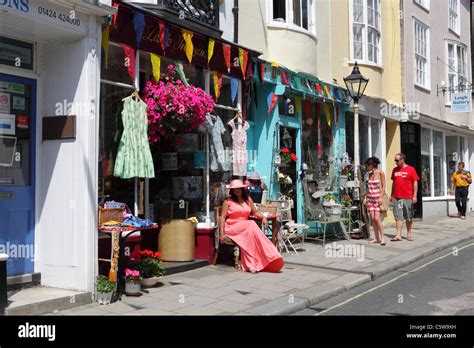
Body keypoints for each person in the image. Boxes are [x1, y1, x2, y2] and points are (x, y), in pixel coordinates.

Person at [220, 179, 284, 273]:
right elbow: (222, 218)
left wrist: (264, 217)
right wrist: (222, 233)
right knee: (252, 224)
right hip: (232, 226)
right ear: (232, 190)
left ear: (242, 189)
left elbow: (255, 212)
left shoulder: (247, 199)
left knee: (252, 236)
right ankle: (255, 261)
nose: (237, 190)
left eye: (239, 188)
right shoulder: (228, 201)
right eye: (235, 189)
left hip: (245, 227)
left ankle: (257, 261)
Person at [390, 153, 419, 241]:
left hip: (407, 197)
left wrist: (414, 196)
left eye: (397, 160)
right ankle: (398, 235)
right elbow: (394, 183)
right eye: (395, 160)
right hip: (397, 198)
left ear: (402, 160)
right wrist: (392, 194)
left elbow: (415, 182)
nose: (395, 162)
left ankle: (409, 233)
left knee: (408, 217)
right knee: (398, 216)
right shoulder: (395, 170)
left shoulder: (411, 169)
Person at [364, 157, 386, 246]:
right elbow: (368, 187)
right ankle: (377, 238)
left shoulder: (381, 173)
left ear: (371, 165)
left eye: (367, 166)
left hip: (377, 199)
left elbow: (384, 186)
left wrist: (381, 197)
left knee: (377, 218)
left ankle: (383, 237)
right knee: (373, 219)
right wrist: (366, 197)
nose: (366, 167)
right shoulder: (369, 174)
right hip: (370, 199)